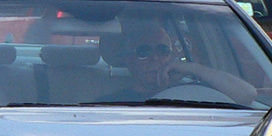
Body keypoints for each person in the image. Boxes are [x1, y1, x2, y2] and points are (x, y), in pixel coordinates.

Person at [102, 17, 257, 106]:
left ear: (171, 56)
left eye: (162, 51)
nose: (155, 58)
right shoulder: (114, 102)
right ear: (129, 60)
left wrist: (194, 69)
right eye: (144, 52)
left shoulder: (197, 91)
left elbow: (248, 95)